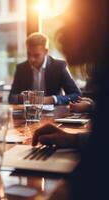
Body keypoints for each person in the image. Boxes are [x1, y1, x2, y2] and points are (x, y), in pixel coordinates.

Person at [32, 0, 109, 198]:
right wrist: (72, 139)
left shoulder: (59, 65)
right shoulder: (101, 70)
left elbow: (96, 173)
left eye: (68, 19)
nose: (62, 32)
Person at [8, 32, 81, 105]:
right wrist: (21, 97)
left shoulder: (59, 66)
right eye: (29, 54)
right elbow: (11, 98)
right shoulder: (21, 68)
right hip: (29, 113)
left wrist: (52, 99)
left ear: (46, 51)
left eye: (36, 55)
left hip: (55, 113)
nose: (31, 59)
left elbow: (76, 95)